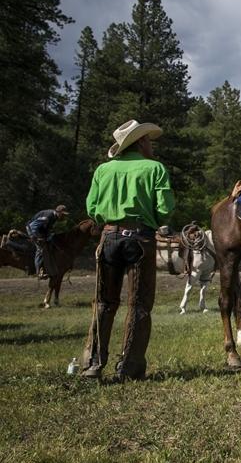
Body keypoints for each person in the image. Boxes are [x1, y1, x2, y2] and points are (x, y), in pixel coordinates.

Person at [78, 120, 174, 381]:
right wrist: (151, 218)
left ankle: (92, 364)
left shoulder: (103, 170)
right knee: (139, 304)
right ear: (140, 142)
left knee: (104, 302)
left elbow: (92, 208)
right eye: (148, 140)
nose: (151, 144)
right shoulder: (155, 169)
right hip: (140, 239)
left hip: (108, 237)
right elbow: (164, 208)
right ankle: (129, 367)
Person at [26, 204, 69, 277]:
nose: (64, 217)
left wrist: (49, 236)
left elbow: (47, 229)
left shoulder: (55, 217)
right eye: (63, 214)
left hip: (40, 231)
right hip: (32, 229)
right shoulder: (48, 216)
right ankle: (39, 271)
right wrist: (36, 237)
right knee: (40, 249)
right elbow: (33, 226)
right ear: (58, 212)